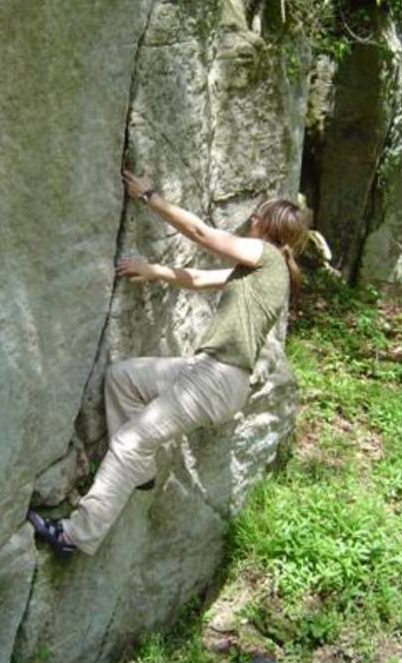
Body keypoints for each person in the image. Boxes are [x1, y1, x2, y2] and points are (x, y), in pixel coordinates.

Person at [27, 168, 309, 558]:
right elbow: (199, 279)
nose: (253, 217)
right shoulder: (258, 270)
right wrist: (153, 271)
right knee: (122, 379)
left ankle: (75, 535)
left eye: (259, 215)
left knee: (130, 441)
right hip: (209, 374)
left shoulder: (268, 256)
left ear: (270, 226)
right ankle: (140, 472)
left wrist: (149, 197)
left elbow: (202, 234)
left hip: (216, 378)